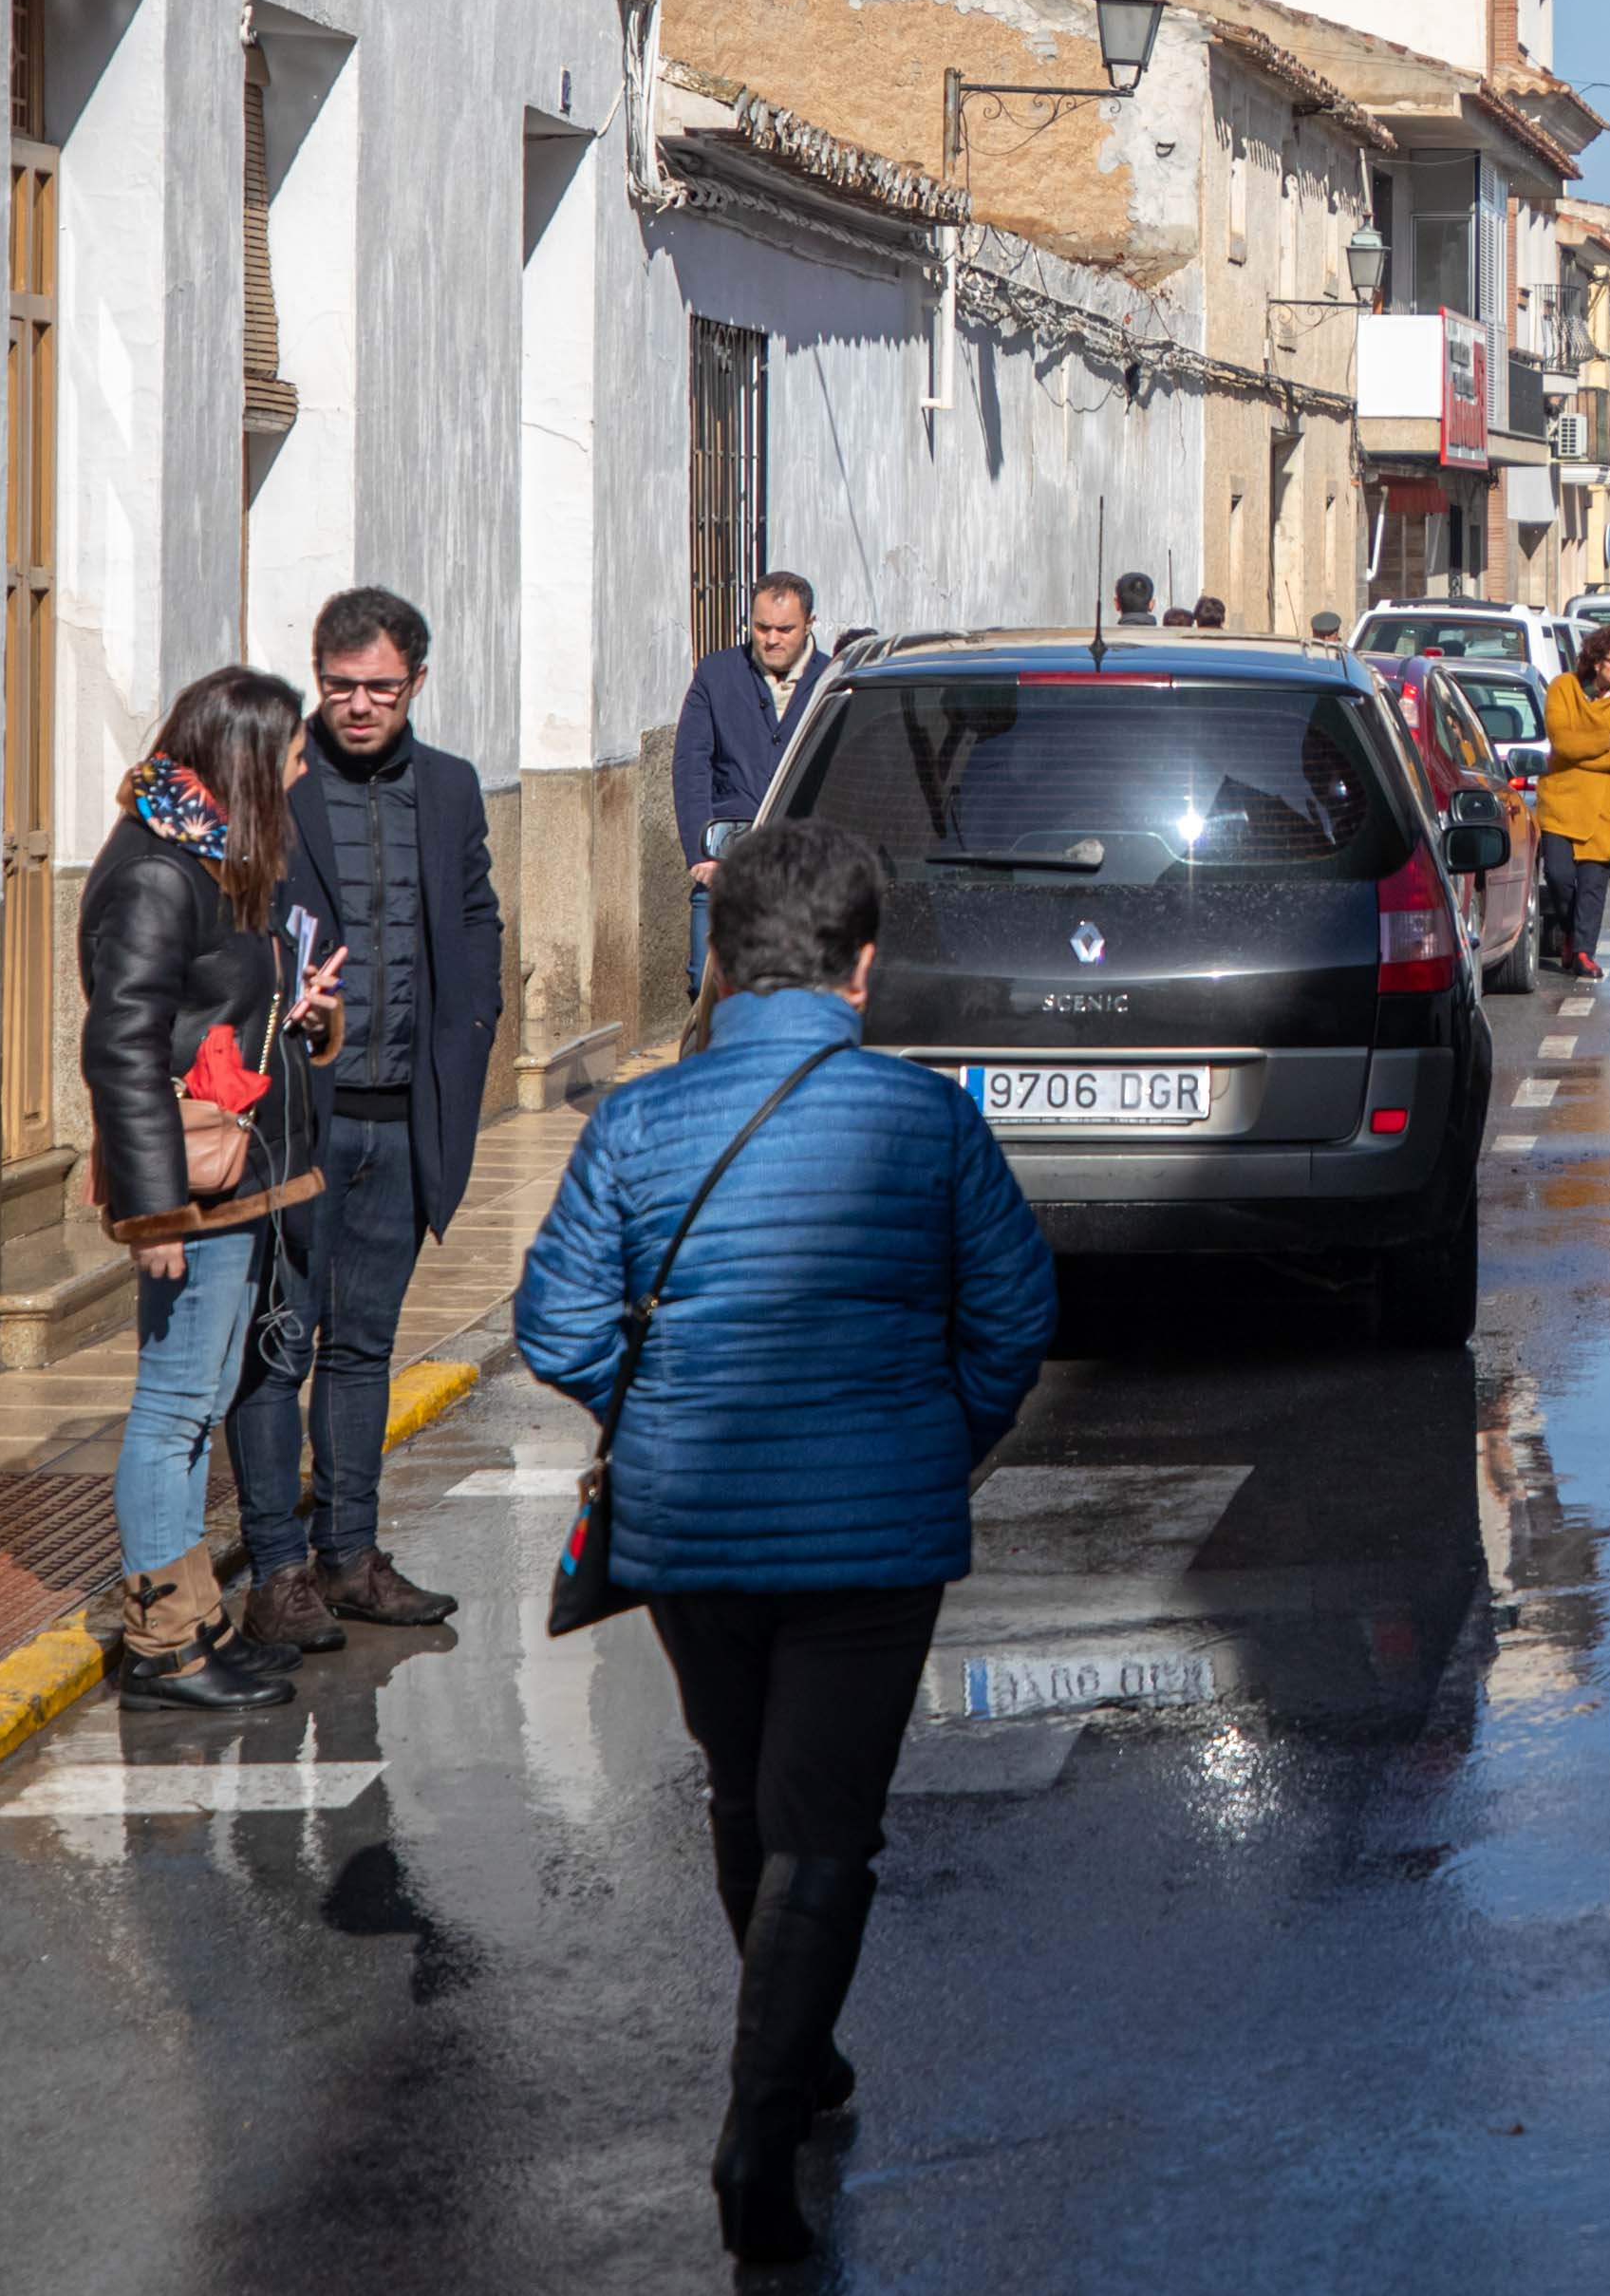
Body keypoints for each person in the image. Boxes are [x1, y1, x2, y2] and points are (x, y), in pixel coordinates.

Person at [513, 820, 1056, 2268]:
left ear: (722, 958)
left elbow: (553, 1321)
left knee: (746, 1790)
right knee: (823, 1820)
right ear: (860, 967)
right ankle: (760, 2123)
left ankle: (795, 2058)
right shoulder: (927, 1120)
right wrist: (939, 1433)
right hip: (874, 1532)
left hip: (690, 1527)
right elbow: (1014, 1315)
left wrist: (661, 1410)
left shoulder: (634, 1122)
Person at [231, 588, 506, 1653]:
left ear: (415, 686)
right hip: (299, 1123)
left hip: (404, 1119)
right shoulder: (280, 786)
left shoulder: (449, 789)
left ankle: (350, 1555)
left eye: (379, 688)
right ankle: (276, 1571)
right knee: (279, 1344)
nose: (357, 706)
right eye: (339, 687)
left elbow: (474, 913)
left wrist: (473, 1022)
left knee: (364, 1348)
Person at [84, 665, 344, 1710]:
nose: (300, 774)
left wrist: (297, 1014)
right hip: (192, 1187)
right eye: (288, 757)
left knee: (198, 1406)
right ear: (243, 760)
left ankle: (195, 1625)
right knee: (175, 1409)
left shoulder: (211, 854)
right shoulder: (156, 872)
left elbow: (205, 1018)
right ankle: (162, 1646)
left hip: (237, 1176)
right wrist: (153, 1214)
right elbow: (127, 1048)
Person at [677, 573, 821, 993]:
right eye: (762, 628)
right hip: (728, 862)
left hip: (805, 870)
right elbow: (691, 765)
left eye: (785, 629)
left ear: (810, 623)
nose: (771, 639)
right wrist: (701, 853)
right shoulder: (716, 676)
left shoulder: (833, 679)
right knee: (707, 987)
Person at [1534, 626, 1610, 977]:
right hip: (1561, 803)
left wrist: (1585, 747)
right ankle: (1568, 931)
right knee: (1559, 876)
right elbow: (1562, 741)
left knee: (1593, 886)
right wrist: (1603, 739)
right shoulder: (1562, 688)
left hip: (1605, 807)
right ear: (1596, 661)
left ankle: (1583, 951)